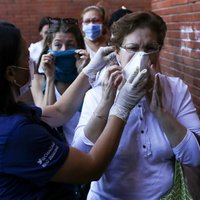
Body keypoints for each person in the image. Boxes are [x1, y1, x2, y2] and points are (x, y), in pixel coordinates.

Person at [0, 20, 149, 199]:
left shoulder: (13, 111)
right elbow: (91, 168)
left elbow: (59, 112)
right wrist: (122, 108)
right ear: (10, 73)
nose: (31, 61)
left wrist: (89, 70)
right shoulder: (17, 133)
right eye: (25, 57)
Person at [72, 11, 200, 199]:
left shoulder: (175, 89)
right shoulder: (99, 93)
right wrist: (106, 105)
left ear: (158, 51)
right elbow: (79, 157)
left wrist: (160, 111)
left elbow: (195, 156)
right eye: (132, 48)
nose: (141, 57)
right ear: (117, 51)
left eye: (150, 48)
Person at [31, 17, 90, 145]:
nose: (64, 50)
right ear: (49, 47)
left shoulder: (91, 74)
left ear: (79, 47)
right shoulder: (39, 78)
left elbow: (90, 111)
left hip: (90, 147)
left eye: (70, 45)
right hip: (62, 152)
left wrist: (83, 74)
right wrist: (50, 78)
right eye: (58, 45)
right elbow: (47, 119)